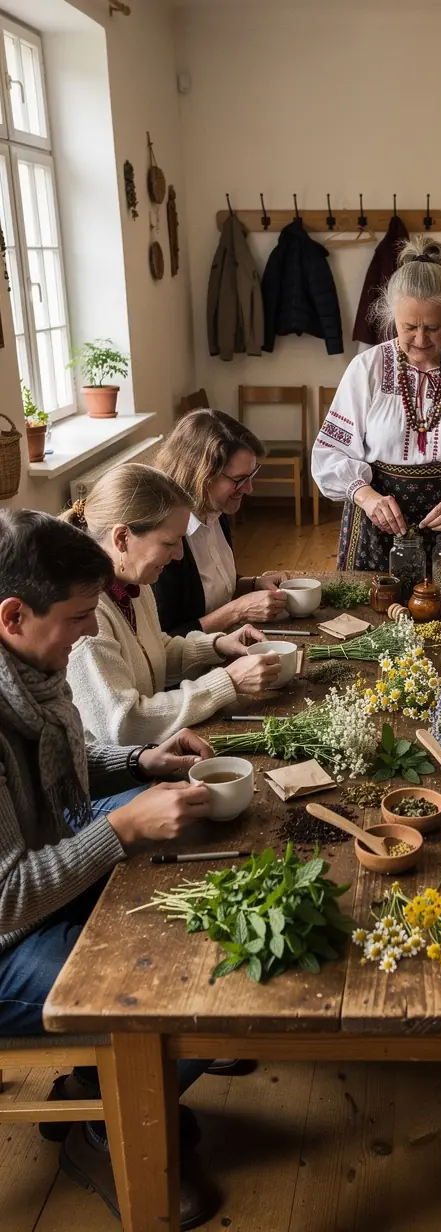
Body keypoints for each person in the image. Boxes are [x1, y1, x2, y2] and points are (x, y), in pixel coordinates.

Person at [0, 508, 220, 1228]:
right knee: (191, 989)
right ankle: (105, 1132)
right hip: (6, 940)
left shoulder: (27, 669)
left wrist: (137, 763)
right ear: (13, 615)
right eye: (76, 617)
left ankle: (91, 1086)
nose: (91, 632)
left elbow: (61, 771)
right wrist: (123, 826)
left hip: (40, 875)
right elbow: (7, 898)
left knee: (207, 900)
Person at [310, 235, 441, 571]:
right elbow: (330, 452)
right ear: (391, 316)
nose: (421, 340)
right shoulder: (367, 368)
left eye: (433, 328)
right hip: (377, 522)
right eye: (409, 327)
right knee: (373, 616)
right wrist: (367, 498)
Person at [64, 464, 281, 746]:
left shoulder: (134, 582)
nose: (179, 555)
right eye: (170, 542)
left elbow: (155, 651)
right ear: (121, 538)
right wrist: (227, 681)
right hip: (114, 780)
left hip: (149, 752)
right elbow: (125, 724)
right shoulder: (84, 617)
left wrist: (215, 646)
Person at [153, 409, 289, 637]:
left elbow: (214, 586)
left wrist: (254, 584)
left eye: (251, 475)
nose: (249, 489)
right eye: (239, 480)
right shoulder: (164, 541)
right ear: (201, 474)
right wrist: (238, 611)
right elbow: (168, 640)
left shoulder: (215, 510)